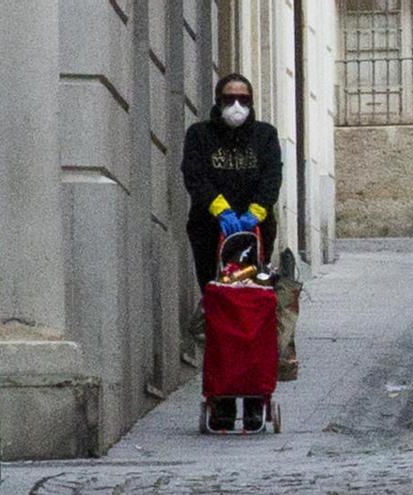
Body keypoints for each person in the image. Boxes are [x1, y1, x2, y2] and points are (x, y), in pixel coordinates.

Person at [181, 73, 283, 431]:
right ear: (218, 101)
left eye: (243, 99)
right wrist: (220, 209)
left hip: (254, 234)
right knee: (220, 312)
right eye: (229, 99)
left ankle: (254, 396)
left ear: (252, 102)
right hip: (212, 233)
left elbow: (272, 176)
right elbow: (195, 175)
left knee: (252, 314)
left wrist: (256, 212)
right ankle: (222, 396)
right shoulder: (199, 136)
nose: (236, 106)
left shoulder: (265, 136)